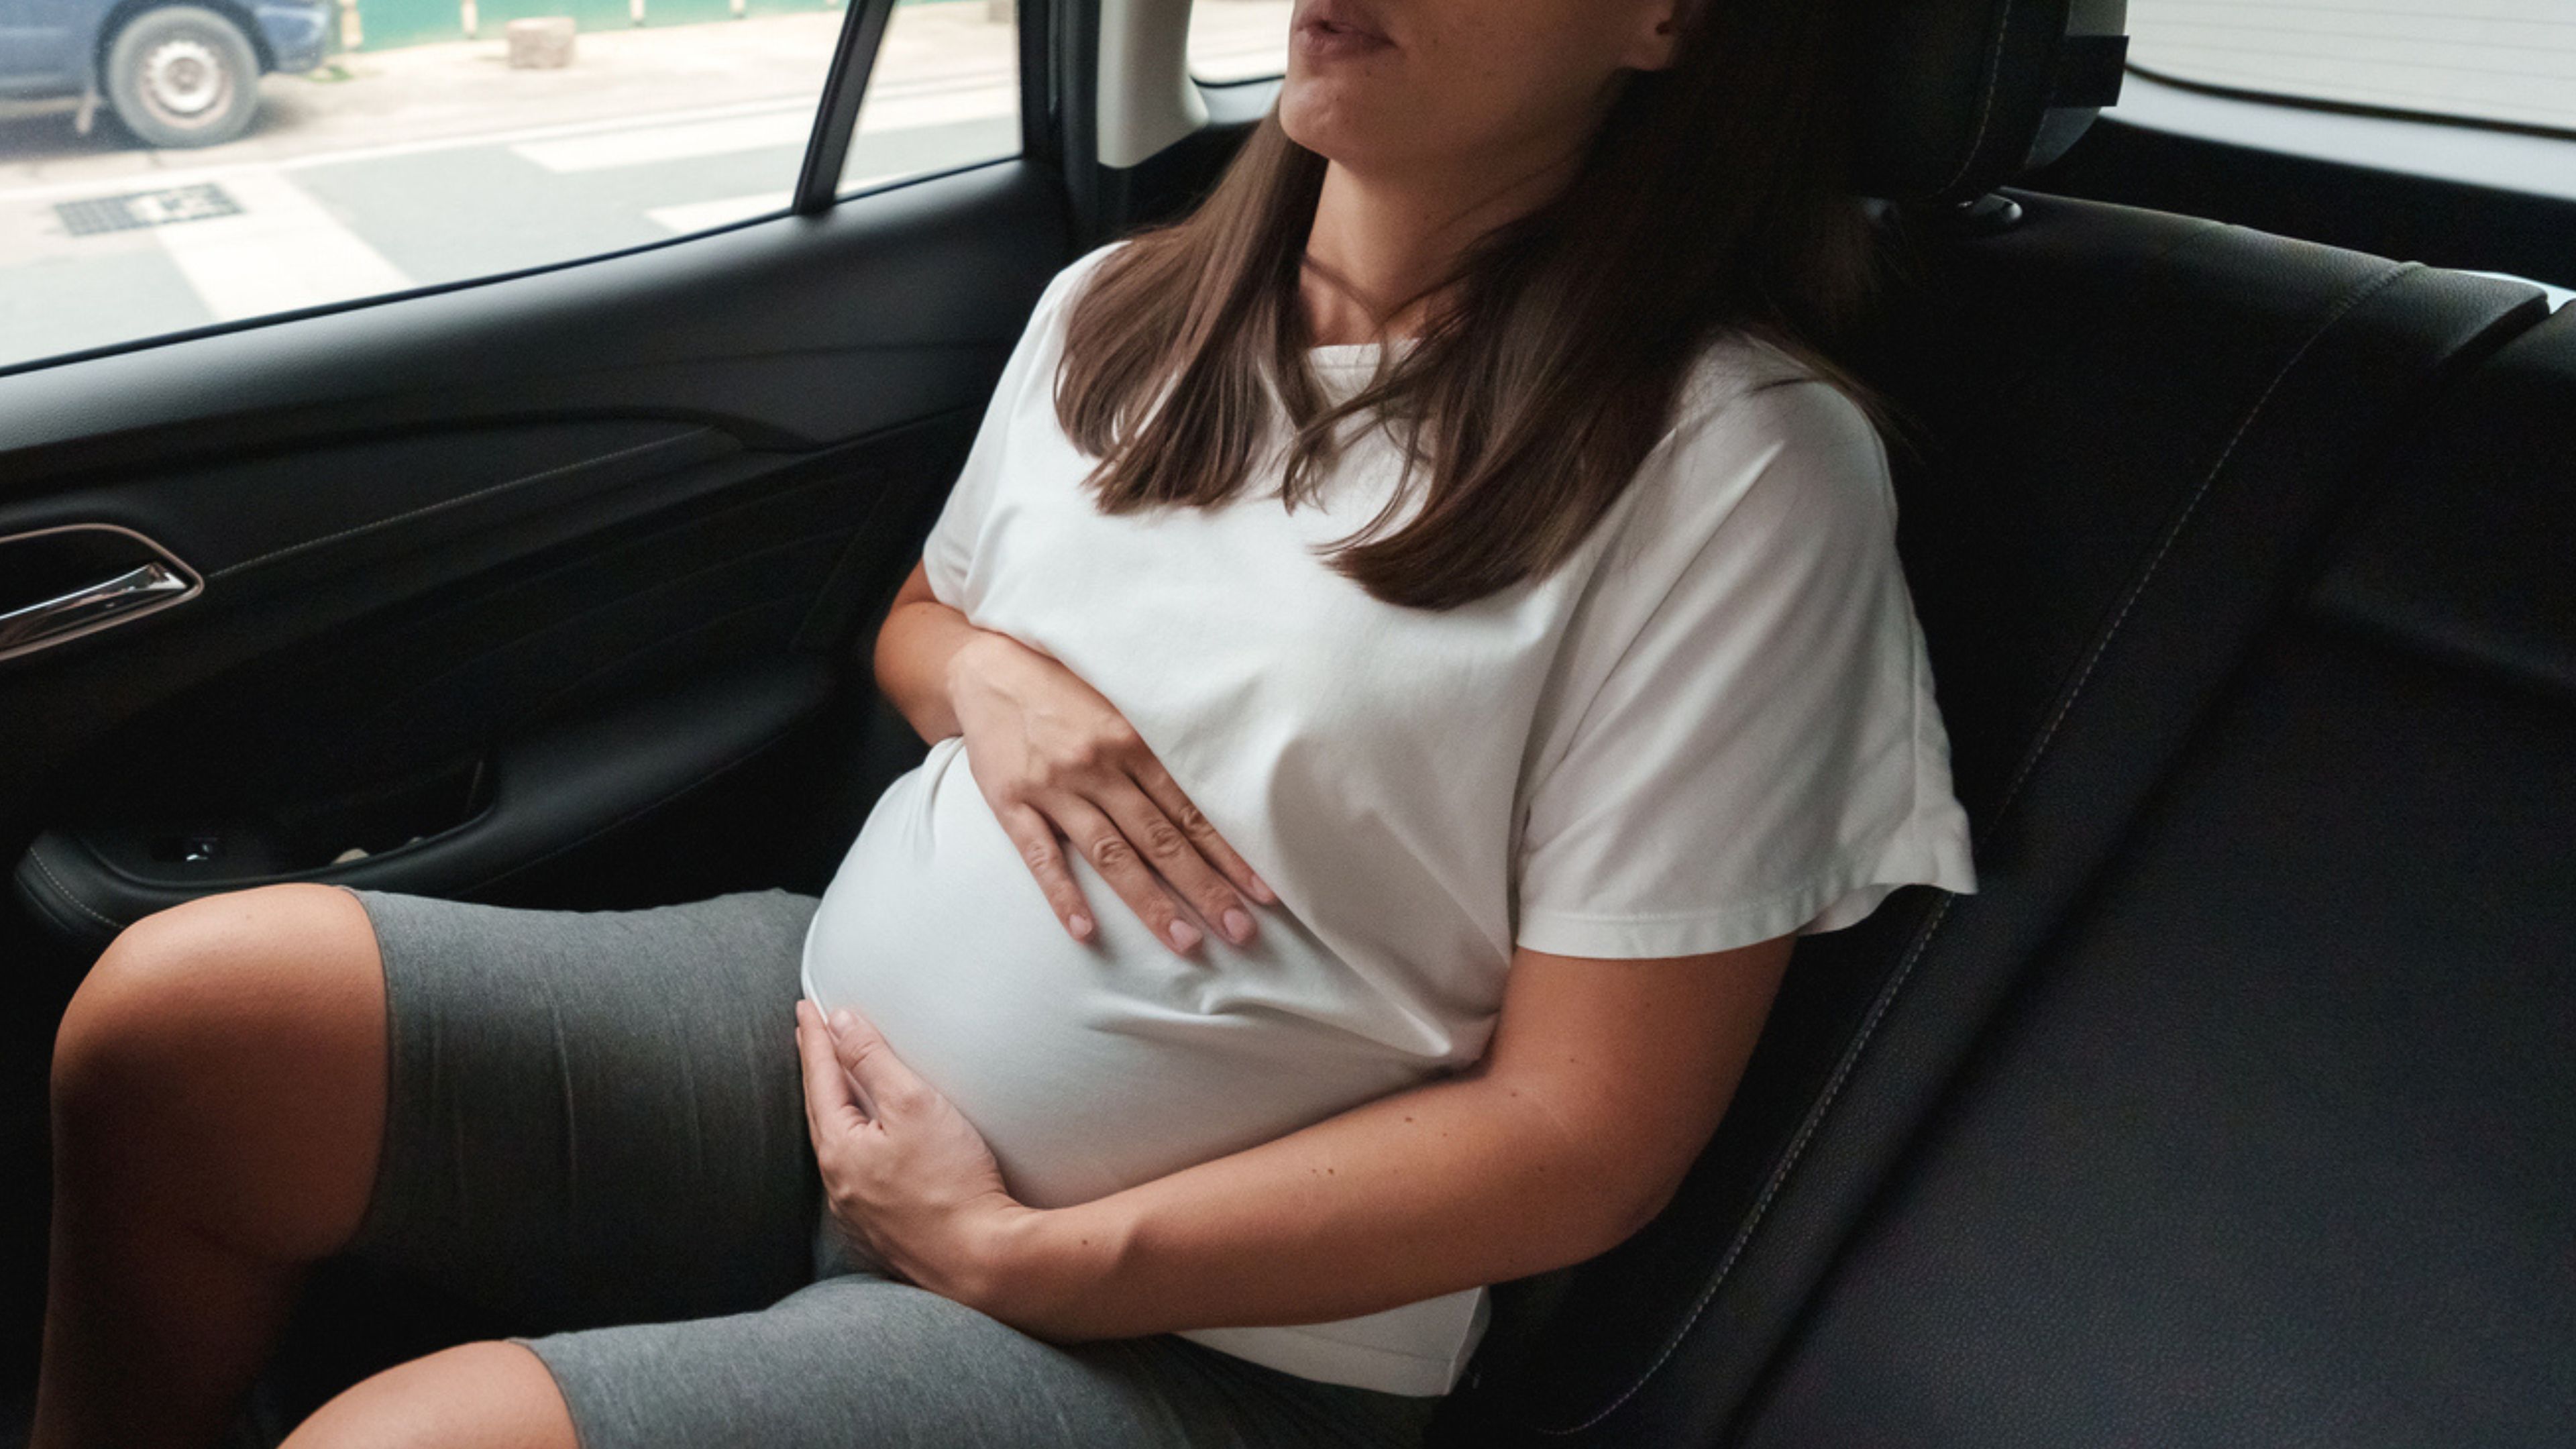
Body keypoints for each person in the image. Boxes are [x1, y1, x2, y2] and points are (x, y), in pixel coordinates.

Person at [31, 0, 1976, 1444]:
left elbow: (1585, 1135)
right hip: (827, 1051)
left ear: (1663, 21)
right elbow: (922, 623)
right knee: (182, 1019)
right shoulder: (1122, 306)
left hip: (1201, 1338)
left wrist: (1035, 1258)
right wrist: (991, 682)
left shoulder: (1735, 475)